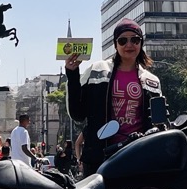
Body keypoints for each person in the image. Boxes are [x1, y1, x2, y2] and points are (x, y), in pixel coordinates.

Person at [66, 19, 163, 176]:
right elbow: (77, 114)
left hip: (138, 156)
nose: (129, 45)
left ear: (141, 43)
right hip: (100, 157)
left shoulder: (152, 81)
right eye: (123, 40)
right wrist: (72, 73)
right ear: (115, 44)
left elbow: (158, 122)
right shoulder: (97, 70)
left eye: (135, 40)